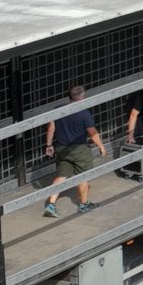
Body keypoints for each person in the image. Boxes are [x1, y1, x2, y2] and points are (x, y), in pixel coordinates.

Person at [43, 84, 108, 218]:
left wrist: (49, 145)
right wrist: (101, 146)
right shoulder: (84, 113)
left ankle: (51, 205)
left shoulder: (57, 109)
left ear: (70, 96)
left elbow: (51, 128)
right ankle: (84, 205)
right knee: (83, 176)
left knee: (61, 176)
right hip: (79, 149)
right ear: (83, 97)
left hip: (61, 148)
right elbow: (92, 132)